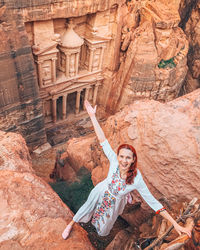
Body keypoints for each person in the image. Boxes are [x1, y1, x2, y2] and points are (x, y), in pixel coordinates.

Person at [62, 100, 191, 239]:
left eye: (128, 158)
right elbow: (102, 139)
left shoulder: (136, 178)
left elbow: (153, 202)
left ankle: (99, 231)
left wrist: (175, 224)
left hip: (115, 202)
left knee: (105, 224)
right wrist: (92, 116)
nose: (124, 160)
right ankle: (70, 224)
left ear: (133, 160)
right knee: (87, 206)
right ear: (117, 156)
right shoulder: (113, 159)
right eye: (121, 156)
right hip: (102, 190)